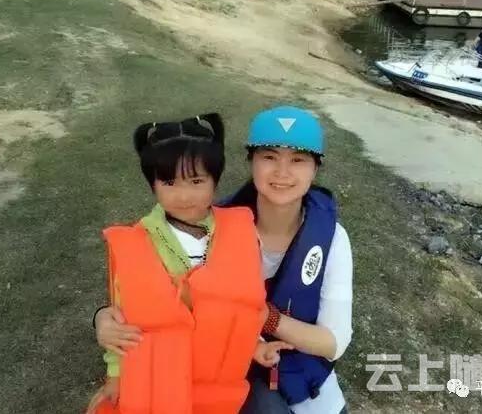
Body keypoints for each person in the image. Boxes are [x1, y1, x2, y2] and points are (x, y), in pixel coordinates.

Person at [95, 106, 354, 414]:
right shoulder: (214, 225)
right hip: (227, 370)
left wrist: (266, 318)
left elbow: (334, 342)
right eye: (269, 157)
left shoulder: (331, 238)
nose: (282, 172)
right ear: (251, 161)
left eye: (298, 160)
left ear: (315, 168)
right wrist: (102, 318)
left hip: (304, 372)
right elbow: (146, 290)